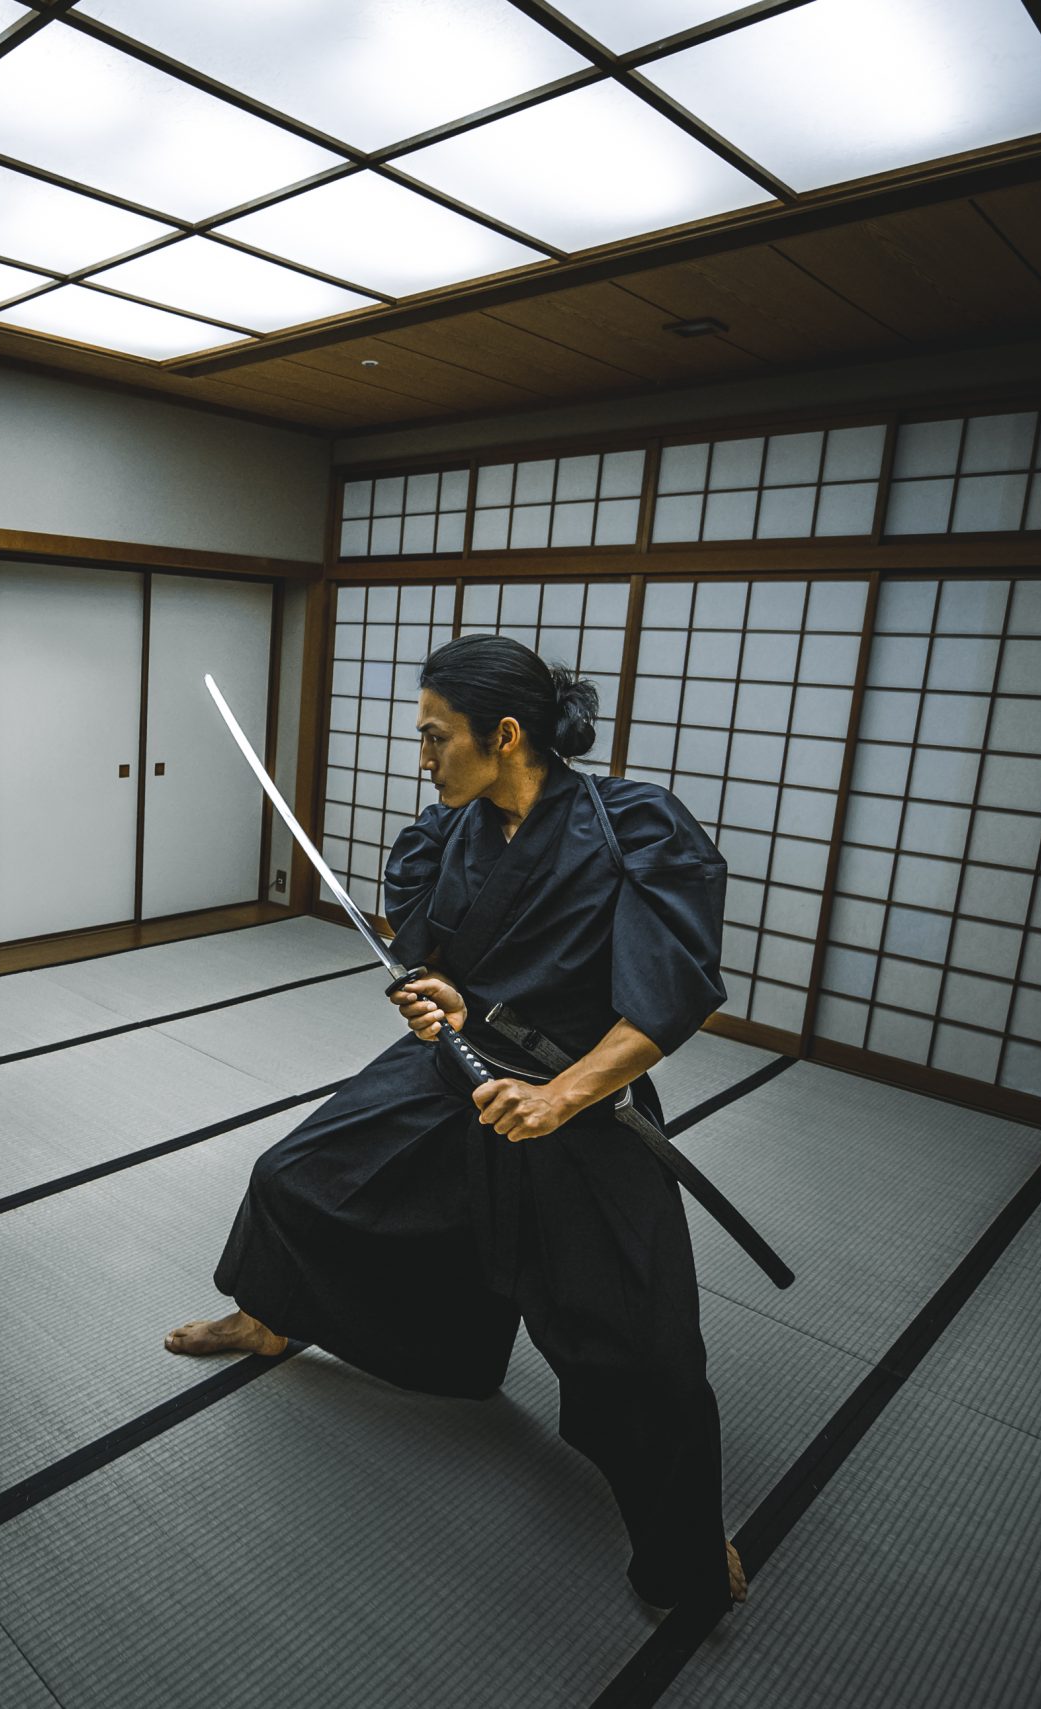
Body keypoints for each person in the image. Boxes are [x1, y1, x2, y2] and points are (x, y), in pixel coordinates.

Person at [164, 633, 748, 1614]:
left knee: (641, 1346)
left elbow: (667, 997)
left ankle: (686, 1541)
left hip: (578, 1091)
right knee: (294, 1173)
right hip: (459, 1070)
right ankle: (272, 1318)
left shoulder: (632, 825)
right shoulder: (452, 830)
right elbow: (435, 962)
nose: (421, 757)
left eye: (435, 737)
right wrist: (437, 996)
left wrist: (561, 1096)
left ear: (506, 733)